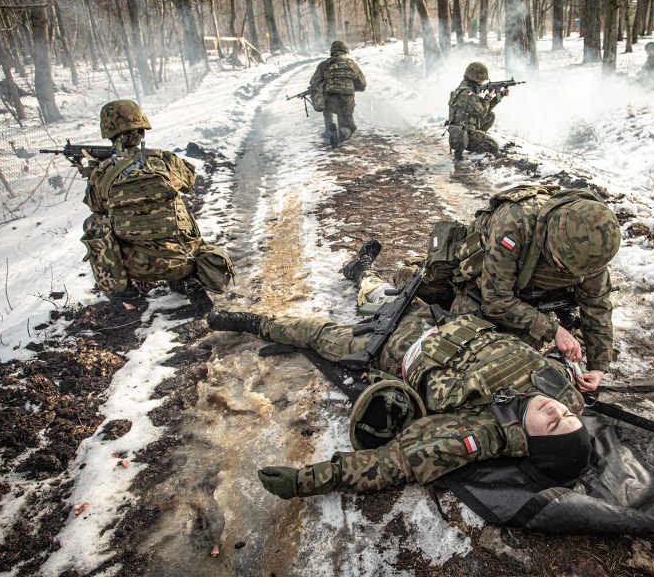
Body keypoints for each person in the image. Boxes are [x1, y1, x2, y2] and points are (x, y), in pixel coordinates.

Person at [205, 268, 593, 499]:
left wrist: (310, 479)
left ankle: (253, 322)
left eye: (554, 424)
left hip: (395, 346)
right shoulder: (562, 392)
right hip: (440, 319)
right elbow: (568, 395)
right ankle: (359, 271)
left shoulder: (481, 430)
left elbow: (397, 462)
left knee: (319, 334)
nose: (556, 410)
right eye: (567, 414)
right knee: (379, 293)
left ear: (531, 441)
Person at [364, 185, 621, 392]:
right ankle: (370, 276)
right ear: (549, 237)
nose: (565, 274)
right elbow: (496, 301)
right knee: (452, 338)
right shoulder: (516, 222)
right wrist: (553, 330)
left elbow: (597, 306)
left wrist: (598, 366)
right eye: (559, 265)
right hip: (477, 285)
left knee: (509, 357)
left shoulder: (591, 248)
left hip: (523, 295)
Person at [81, 100, 235, 314]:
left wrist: (94, 168)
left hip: (137, 266)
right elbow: (189, 182)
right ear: (142, 131)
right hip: (183, 260)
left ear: (108, 134)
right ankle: (184, 280)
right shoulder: (165, 160)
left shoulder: (101, 173)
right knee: (176, 202)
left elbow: (96, 205)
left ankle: (123, 293)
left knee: (95, 223)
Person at [446, 62, 509, 161]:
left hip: (465, 130)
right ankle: (474, 145)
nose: (483, 82)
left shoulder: (465, 89)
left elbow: (484, 110)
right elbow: (481, 113)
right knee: (493, 146)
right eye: (482, 80)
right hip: (463, 134)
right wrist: (488, 96)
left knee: (490, 116)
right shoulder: (467, 94)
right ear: (475, 79)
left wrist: (500, 95)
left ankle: (477, 141)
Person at [309, 40, 367, 149]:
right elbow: (362, 85)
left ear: (332, 52)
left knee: (326, 106)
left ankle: (329, 129)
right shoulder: (352, 64)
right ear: (345, 51)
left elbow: (314, 82)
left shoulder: (324, 65)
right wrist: (350, 87)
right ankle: (342, 132)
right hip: (347, 100)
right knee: (349, 126)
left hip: (330, 99)